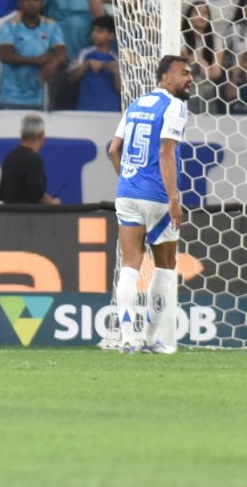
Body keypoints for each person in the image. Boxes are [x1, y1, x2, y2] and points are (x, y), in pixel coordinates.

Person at [105, 55, 193, 355]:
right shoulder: (175, 106)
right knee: (165, 268)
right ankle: (151, 339)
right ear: (165, 78)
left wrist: (128, 180)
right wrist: (173, 198)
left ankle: (127, 339)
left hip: (127, 192)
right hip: (157, 196)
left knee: (130, 266)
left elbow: (113, 149)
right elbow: (166, 151)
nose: (189, 78)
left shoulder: (134, 105)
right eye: (183, 73)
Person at [0, 115, 59, 205]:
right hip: (29, 217)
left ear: (22, 134)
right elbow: (37, 196)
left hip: (8, 216)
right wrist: (53, 203)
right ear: (41, 136)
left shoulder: (9, 157)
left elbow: (2, 194)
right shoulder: (34, 160)